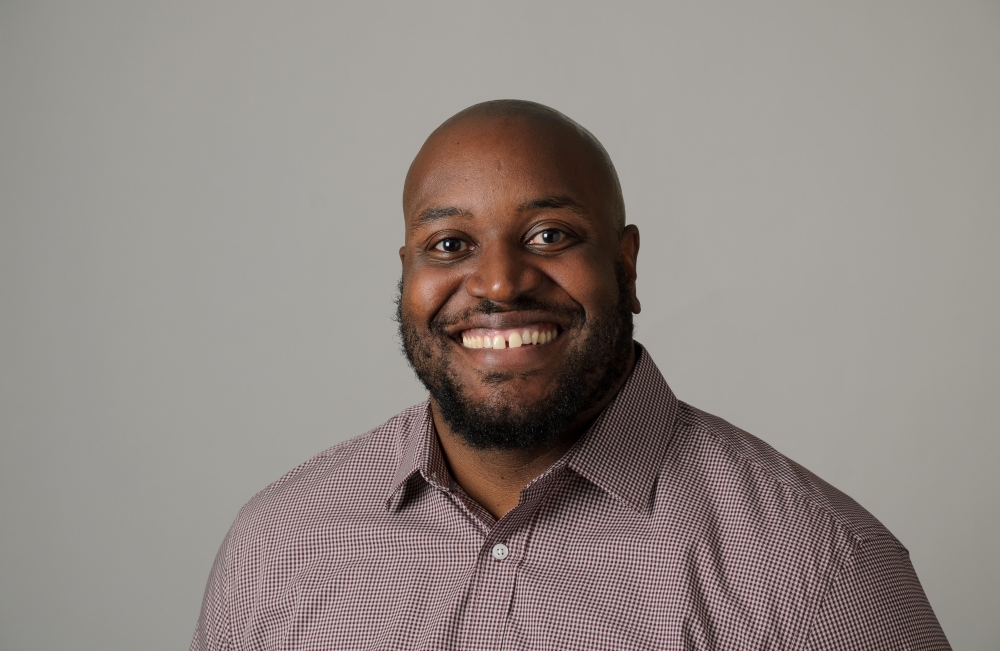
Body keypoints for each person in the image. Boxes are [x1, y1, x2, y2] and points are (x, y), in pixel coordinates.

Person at [191, 100, 950, 650]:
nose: (496, 283)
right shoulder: (277, 546)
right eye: (450, 244)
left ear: (625, 264)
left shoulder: (818, 571)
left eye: (548, 235)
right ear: (407, 274)